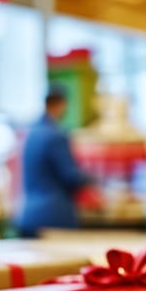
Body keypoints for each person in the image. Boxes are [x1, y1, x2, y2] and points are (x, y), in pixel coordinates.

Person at [17, 87, 96, 237]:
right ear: (60, 104)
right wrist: (92, 179)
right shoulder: (56, 135)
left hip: (29, 214)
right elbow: (71, 176)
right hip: (53, 216)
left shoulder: (32, 133)